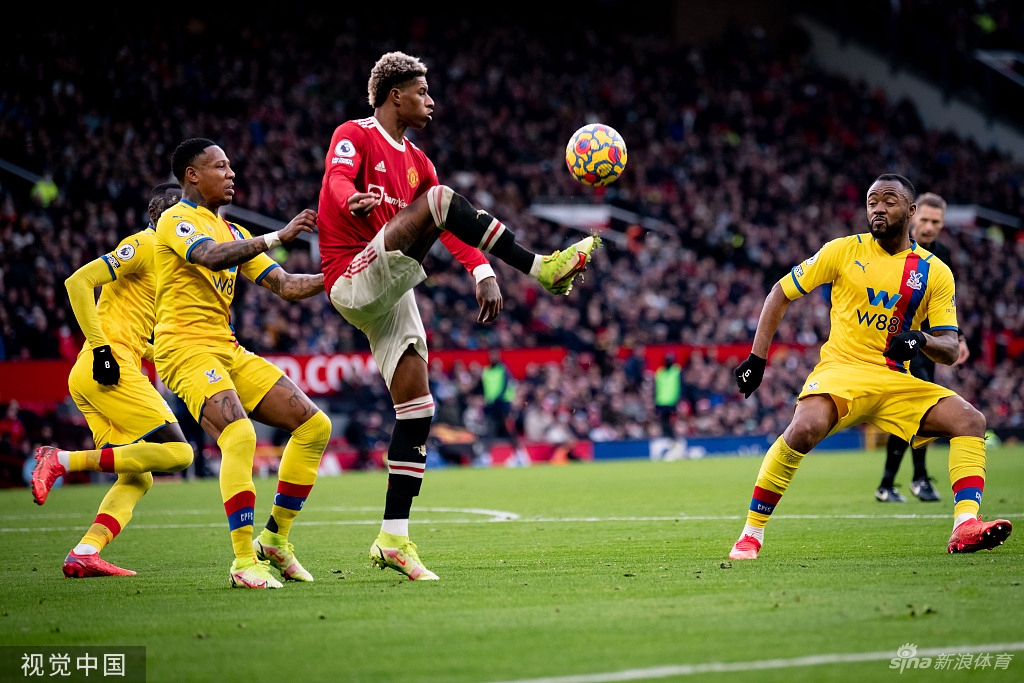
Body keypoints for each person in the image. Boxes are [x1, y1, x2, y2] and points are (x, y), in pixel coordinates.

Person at [316, 51, 599, 580]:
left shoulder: (418, 162)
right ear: (395, 94)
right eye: (422, 92)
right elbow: (336, 180)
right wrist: (351, 198)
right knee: (441, 199)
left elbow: (446, 224)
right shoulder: (354, 134)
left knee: (418, 410)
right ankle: (539, 266)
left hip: (390, 286)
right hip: (351, 272)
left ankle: (392, 538)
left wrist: (481, 270)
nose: (431, 101)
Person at [729, 174, 1012, 560]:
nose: (878, 208)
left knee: (971, 421)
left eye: (889, 201)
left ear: (911, 211)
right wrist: (757, 359)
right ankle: (751, 533)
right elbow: (780, 292)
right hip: (841, 371)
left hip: (895, 379)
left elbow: (949, 347)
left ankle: (965, 525)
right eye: (872, 201)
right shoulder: (843, 250)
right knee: (804, 428)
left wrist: (920, 339)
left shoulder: (935, 272)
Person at [154, 138, 333, 589]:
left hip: (227, 348)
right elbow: (208, 257)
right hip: (184, 348)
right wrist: (277, 236)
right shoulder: (176, 219)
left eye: (231, 166)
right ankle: (242, 561)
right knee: (240, 434)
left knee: (315, 427)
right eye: (220, 166)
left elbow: (286, 285)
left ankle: (275, 541)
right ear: (192, 175)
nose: (231, 173)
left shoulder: (233, 232)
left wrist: (341, 274)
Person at [31, 183, 195, 578]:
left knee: (138, 476)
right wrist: (102, 349)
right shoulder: (144, 243)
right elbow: (77, 282)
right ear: (163, 215)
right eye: (186, 214)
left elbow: (134, 332)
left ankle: (85, 552)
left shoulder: (166, 262)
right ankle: (61, 459)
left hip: (97, 371)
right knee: (179, 453)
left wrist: (165, 354)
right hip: (107, 366)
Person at [875, 192, 970, 503]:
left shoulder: (942, 257)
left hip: (927, 345)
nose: (929, 227)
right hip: (897, 341)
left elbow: (945, 305)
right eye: (925, 220)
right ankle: (916, 478)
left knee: (913, 412)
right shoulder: (894, 248)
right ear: (912, 216)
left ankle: (889, 484)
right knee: (922, 407)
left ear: (942, 224)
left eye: (936, 222)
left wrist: (958, 337)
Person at [654, 352, 682, 438]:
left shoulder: (677, 371)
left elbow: (681, 385)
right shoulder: (660, 372)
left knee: (673, 422)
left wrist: (679, 399)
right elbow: (656, 387)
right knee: (663, 422)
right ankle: (665, 436)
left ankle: (673, 437)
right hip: (661, 401)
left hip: (673, 401)